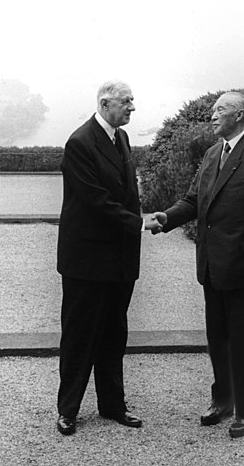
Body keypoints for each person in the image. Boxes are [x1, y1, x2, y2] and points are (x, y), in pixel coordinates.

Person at [150, 91, 244, 439]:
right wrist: (167, 218)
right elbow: (194, 200)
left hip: (242, 268)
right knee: (217, 338)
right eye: (213, 110)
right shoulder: (212, 154)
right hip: (211, 266)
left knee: (241, 340)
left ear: (239, 115)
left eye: (219, 110)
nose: (212, 116)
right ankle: (222, 400)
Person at [55, 80, 162, 436]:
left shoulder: (121, 137)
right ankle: (68, 409)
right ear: (105, 104)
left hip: (118, 259)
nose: (133, 107)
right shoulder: (80, 143)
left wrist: (140, 220)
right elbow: (95, 201)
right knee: (80, 335)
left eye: (132, 101)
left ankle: (112, 405)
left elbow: (126, 194)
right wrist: (140, 224)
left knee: (115, 334)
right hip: (86, 261)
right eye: (127, 102)